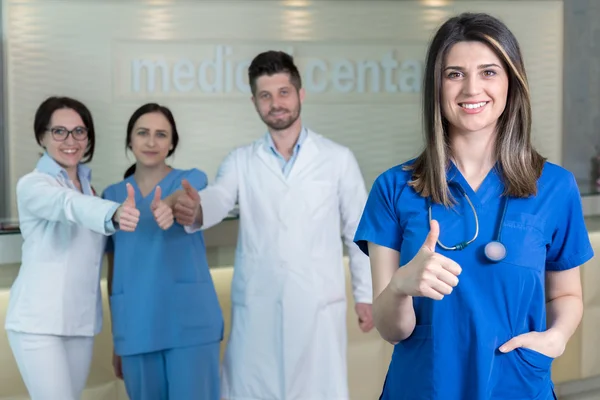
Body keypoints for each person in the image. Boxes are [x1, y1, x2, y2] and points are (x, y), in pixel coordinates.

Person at [354, 12, 594, 400]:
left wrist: (556, 338)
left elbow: (565, 295)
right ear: (437, 87)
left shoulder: (554, 187)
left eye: (488, 72)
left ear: (511, 83)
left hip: (516, 384)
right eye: (454, 74)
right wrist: (400, 286)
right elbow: (390, 329)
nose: (471, 88)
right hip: (424, 387)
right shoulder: (393, 188)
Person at [172, 50, 374, 400]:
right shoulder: (240, 160)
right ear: (254, 102)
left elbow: (359, 230)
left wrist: (366, 294)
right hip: (258, 303)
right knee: (252, 388)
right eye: (265, 95)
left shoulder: (337, 158)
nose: (275, 103)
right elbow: (219, 196)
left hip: (317, 305)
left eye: (283, 92)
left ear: (300, 94)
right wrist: (198, 209)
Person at [4, 96, 140, 400]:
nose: (71, 140)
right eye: (59, 132)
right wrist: (113, 213)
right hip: (38, 324)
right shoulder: (34, 184)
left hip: (79, 323)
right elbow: (67, 205)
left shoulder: (89, 187)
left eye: (79, 131)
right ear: (42, 136)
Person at [101, 103, 224, 400]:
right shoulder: (112, 196)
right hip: (136, 324)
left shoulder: (192, 178)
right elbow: (114, 269)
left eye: (161, 134)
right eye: (143, 133)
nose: (152, 142)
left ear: (172, 143)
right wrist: (119, 339)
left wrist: (168, 205)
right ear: (130, 140)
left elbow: (185, 195)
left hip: (190, 325)